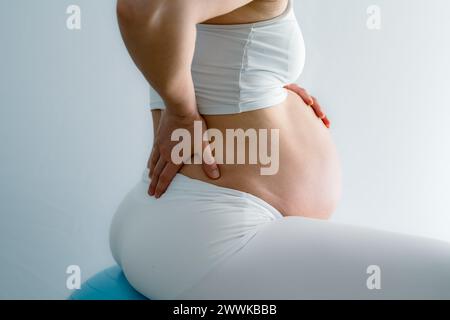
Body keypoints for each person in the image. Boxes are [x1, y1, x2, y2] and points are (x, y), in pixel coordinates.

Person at [109, 0, 450, 299]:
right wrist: (181, 110)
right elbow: (140, 9)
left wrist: (268, 85)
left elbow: (216, 50)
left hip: (173, 220)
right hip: (212, 238)